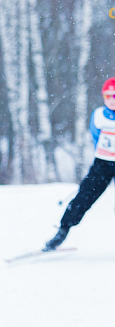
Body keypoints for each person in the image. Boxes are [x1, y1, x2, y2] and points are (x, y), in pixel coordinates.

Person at [45, 77, 115, 251]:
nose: (112, 100)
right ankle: (63, 230)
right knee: (84, 196)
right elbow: (95, 136)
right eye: (108, 96)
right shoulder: (98, 115)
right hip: (103, 163)